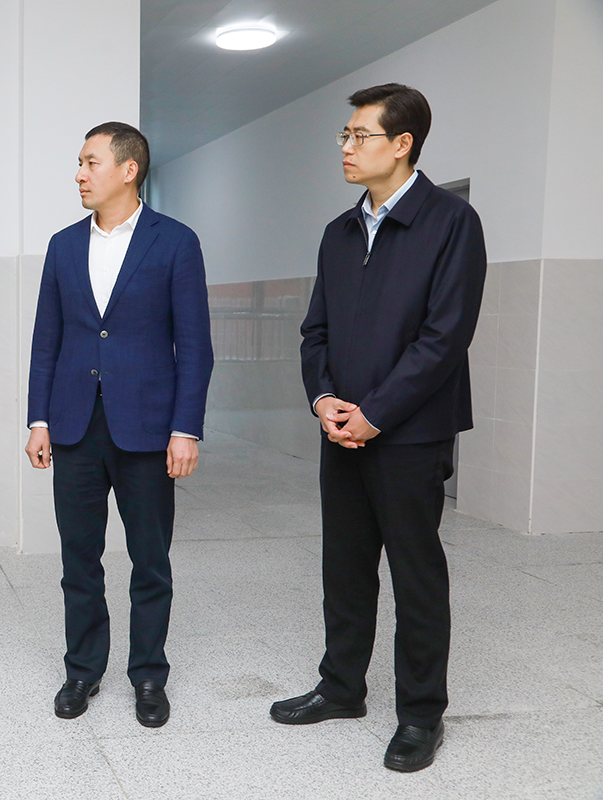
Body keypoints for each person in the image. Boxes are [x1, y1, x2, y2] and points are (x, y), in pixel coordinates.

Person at [272, 83, 487, 773]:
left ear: (402, 144)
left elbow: (444, 338)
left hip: (411, 436)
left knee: (415, 573)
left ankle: (421, 715)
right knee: (344, 565)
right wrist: (325, 401)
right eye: (345, 134)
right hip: (342, 431)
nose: (346, 146)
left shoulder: (451, 222)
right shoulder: (338, 232)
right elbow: (315, 332)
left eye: (359, 135)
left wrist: (376, 414)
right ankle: (341, 688)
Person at [24, 122, 213, 728]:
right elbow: (47, 341)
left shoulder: (175, 242)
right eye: (79, 163)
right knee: (78, 558)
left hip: (148, 429)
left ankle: (149, 675)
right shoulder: (62, 245)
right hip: (74, 426)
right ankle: (82, 669)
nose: (79, 174)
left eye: (90, 162)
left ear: (129, 170)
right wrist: (38, 419)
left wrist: (186, 428)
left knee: (150, 560)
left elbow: (195, 346)